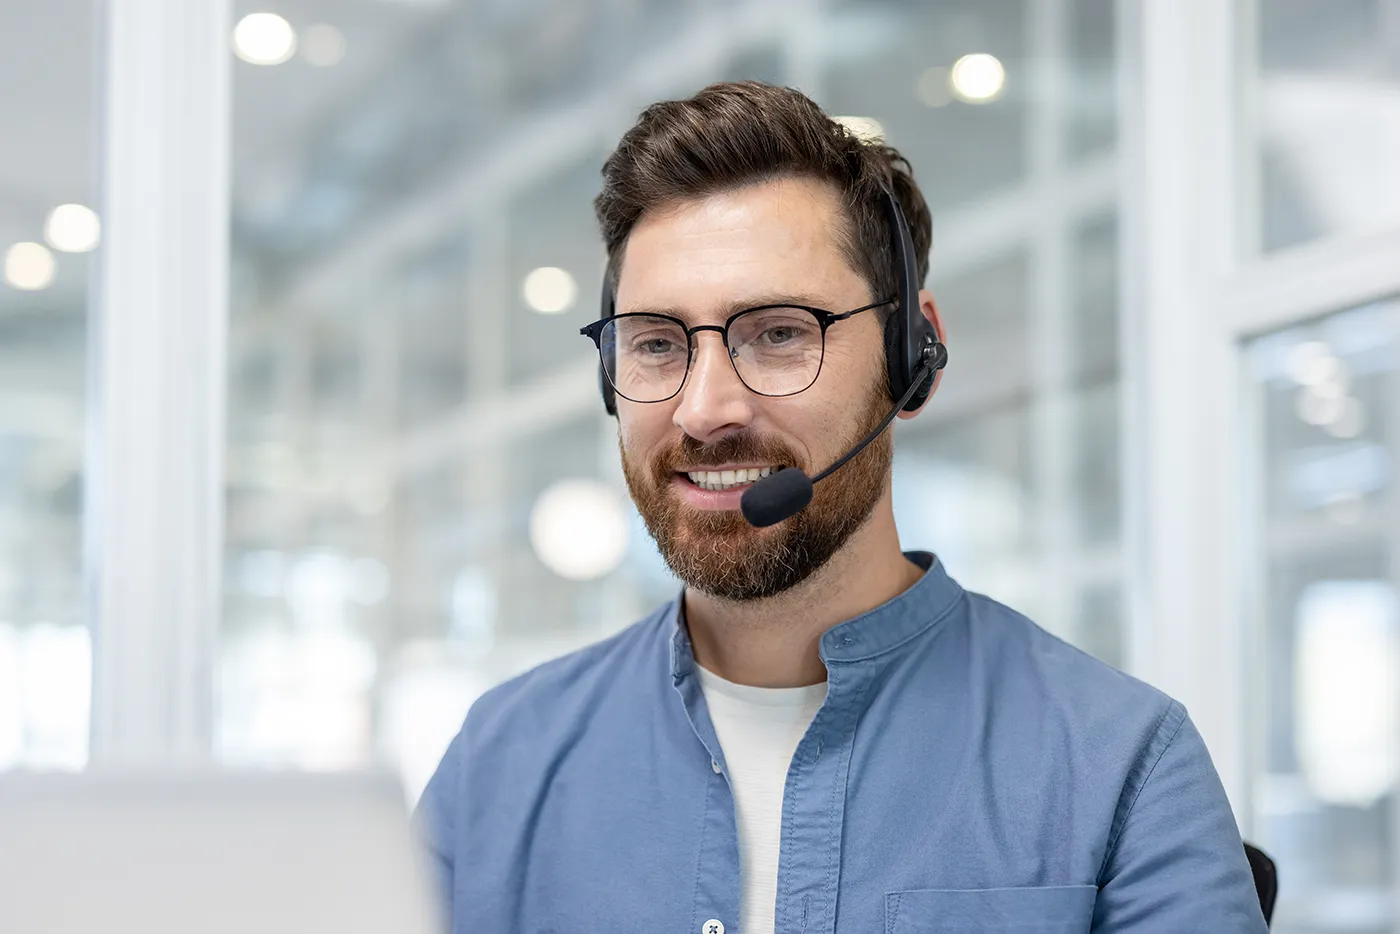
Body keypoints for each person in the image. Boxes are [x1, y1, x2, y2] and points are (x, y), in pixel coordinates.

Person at [416, 81, 1268, 934]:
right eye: (655, 343)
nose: (704, 409)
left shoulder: (1120, 767)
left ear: (913, 354)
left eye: (779, 332)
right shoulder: (498, 765)